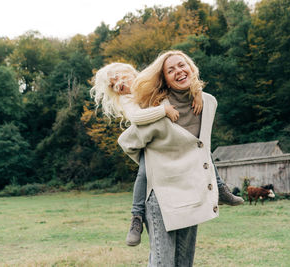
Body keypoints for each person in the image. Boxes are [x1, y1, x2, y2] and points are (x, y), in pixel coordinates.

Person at [118, 50, 244, 266]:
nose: (178, 71)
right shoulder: (158, 112)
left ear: (191, 68)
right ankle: (136, 215)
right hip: (162, 198)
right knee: (163, 263)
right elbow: (128, 142)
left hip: (191, 190)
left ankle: (222, 189)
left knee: (184, 263)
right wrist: (159, 165)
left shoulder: (208, 103)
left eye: (181, 65)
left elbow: (202, 147)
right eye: (170, 70)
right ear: (164, 79)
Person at [90, 62, 205, 246]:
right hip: (151, 144)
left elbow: (181, 86)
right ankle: (136, 217)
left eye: (120, 76)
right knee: (143, 173)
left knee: (199, 150)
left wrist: (198, 94)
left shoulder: (152, 83)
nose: (119, 83)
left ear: (131, 71)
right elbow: (136, 117)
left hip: (173, 137)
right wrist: (163, 110)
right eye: (113, 84)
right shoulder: (127, 99)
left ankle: (219, 187)